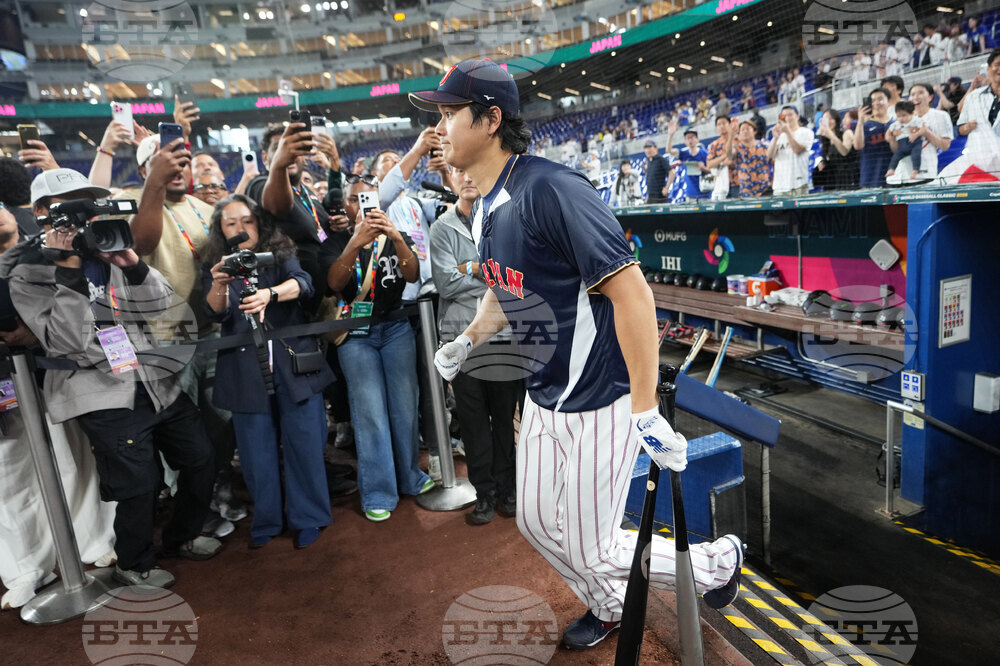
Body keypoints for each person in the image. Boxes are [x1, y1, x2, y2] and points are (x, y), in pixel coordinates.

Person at [410, 58, 743, 651]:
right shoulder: (483, 204)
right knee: (537, 524)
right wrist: (467, 340)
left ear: (491, 120)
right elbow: (503, 286)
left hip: (600, 397)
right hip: (544, 394)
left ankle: (718, 563)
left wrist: (645, 408)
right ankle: (611, 603)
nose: (438, 129)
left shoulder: (553, 189)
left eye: (449, 113)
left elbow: (633, 293)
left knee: (594, 547)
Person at [0, 169, 221, 589]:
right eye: (69, 205)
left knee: (200, 458)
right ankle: (134, 562)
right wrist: (68, 271)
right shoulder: (25, 270)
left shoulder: (107, 245)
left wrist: (133, 266)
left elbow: (162, 305)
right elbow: (67, 341)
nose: (81, 215)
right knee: (139, 483)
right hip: (99, 391)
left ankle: (182, 535)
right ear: (42, 211)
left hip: (155, 379)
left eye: (87, 204)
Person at [0, 199, 116, 609]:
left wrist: (38, 331)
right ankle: (26, 568)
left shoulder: (45, 243)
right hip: (6, 378)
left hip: (54, 371)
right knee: (8, 475)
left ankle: (94, 541)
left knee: (75, 459)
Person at [202, 195, 334, 549]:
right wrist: (219, 283)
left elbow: (303, 283)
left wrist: (269, 295)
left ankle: (310, 516)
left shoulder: (280, 251)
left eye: (247, 220)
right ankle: (267, 520)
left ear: (259, 222)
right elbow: (214, 312)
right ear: (220, 229)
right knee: (255, 453)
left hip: (294, 364)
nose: (241, 228)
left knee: (305, 444)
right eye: (231, 223)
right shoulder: (216, 263)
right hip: (244, 369)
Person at [127, 135, 244, 531]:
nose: (177, 168)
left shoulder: (203, 208)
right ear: (144, 171)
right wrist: (155, 185)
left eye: (183, 161)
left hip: (211, 330)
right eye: (164, 161)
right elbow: (140, 241)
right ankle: (190, 508)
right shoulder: (137, 205)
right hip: (162, 337)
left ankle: (219, 486)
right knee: (179, 432)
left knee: (223, 418)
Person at [321, 174, 433, 522]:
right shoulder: (335, 240)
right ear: (346, 205)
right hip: (355, 334)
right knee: (369, 413)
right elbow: (334, 284)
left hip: (396, 328)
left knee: (405, 408)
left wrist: (396, 237)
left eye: (369, 199)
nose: (363, 206)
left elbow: (412, 275)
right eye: (356, 200)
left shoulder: (395, 235)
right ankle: (378, 491)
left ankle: (410, 477)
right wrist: (355, 243)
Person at [429, 168, 522, 525]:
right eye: (459, 171)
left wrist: (469, 268)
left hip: (502, 335)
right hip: (459, 337)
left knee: (504, 419)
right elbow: (445, 284)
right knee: (472, 422)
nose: (467, 177)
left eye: (472, 170)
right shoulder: (441, 228)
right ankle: (484, 493)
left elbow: (513, 279)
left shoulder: (503, 218)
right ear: (450, 178)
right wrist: (488, 274)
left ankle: (508, 488)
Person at [247, 123, 336, 315]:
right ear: (265, 157)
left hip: (323, 300)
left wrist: (337, 224)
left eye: (295, 148)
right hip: (290, 308)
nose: (289, 154)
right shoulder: (260, 184)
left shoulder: (306, 193)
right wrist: (279, 165)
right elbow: (278, 206)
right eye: (279, 148)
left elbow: (323, 230)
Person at [887, 84, 953, 184]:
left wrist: (925, 132)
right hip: (898, 178)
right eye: (912, 94)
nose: (916, 97)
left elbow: (945, 145)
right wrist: (892, 138)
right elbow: (895, 149)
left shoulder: (940, 116)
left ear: (930, 97)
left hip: (924, 176)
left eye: (920, 93)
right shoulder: (900, 119)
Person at [767, 105, 814, 196]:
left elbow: (797, 150)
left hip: (798, 184)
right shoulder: (779, 135)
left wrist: (787, 132)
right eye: (784, 116)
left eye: (790, 115)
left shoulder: (806, 132)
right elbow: (770, 155)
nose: (787, 118)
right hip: (780, 186)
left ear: (797, 116)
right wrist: (775, 138)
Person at [852, 88, 893, 188]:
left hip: (893, 179)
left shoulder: (895, 124)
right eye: (873, 100)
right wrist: (860, 121)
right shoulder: (865, 125)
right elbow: (857, 146)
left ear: (888, 101)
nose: (876, 103)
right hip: (870, 179)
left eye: (880, 99)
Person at [958, 50, 1000, 138]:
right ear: (989, 69)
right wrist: (972, 86)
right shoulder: (974, 96)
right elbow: (960, 110)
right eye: (997, 64)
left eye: (984, 76)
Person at [814, 109, 859, 191]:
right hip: (835, 184)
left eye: (831, 118)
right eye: (826, 119)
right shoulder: (825, 141)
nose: (829, 121)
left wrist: (831, 135)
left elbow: (844, 152)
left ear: (836, 120)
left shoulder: (846, 133)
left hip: (849, 180)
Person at [665, 119, 709, 198]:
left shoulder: (705, 154)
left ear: (697, 139)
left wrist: (703, 168)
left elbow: (712, 171)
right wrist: (670, 135)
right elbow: (668, 150)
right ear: (685, 142)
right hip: (690, 194)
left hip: (705, 193)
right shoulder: (683, 154)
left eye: (692, 137)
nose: (690, 140)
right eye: (687, 138)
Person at [728, 120, 772, 197]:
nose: (745, 131)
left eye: (748, 129)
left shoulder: (764, 145)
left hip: (765, 190)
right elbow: (729, 154)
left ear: (754, 131)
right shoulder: (738, 148)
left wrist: (773, 181)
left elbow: (775, 162)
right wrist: (731, 137)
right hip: (746, 192)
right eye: (742, 130)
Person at [885, 102, 924, 181]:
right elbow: (887, 134)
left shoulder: (916, 120)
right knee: (895, 157)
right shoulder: (895, 124)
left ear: (912, 113)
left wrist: (916, 134)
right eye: (898, 116)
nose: (901, 118)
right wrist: (892, 134)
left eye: (904, 115)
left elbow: (924, 129)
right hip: (901, 145)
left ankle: (915, 170)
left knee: (916, 155)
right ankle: (891, 169)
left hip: (914, 143)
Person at [705, 115, 734, 200]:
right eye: (719, 124)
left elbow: (731, 160)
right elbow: (709, 164)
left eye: (724, 123)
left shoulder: (737, 140)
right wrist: (724, 157)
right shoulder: (714, 144)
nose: (721, 126)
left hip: (737, 182)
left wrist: (718, 162)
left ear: (730, 125)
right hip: (721, 184)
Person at [641, 140, 669, 204]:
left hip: (659, 195)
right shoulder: (649, 161)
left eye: (650, 147)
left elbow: (672, 172)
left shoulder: (661, 159)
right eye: (646, 148)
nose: (648, 150)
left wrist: (667, 187)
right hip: (651, 195)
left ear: (656, 148)